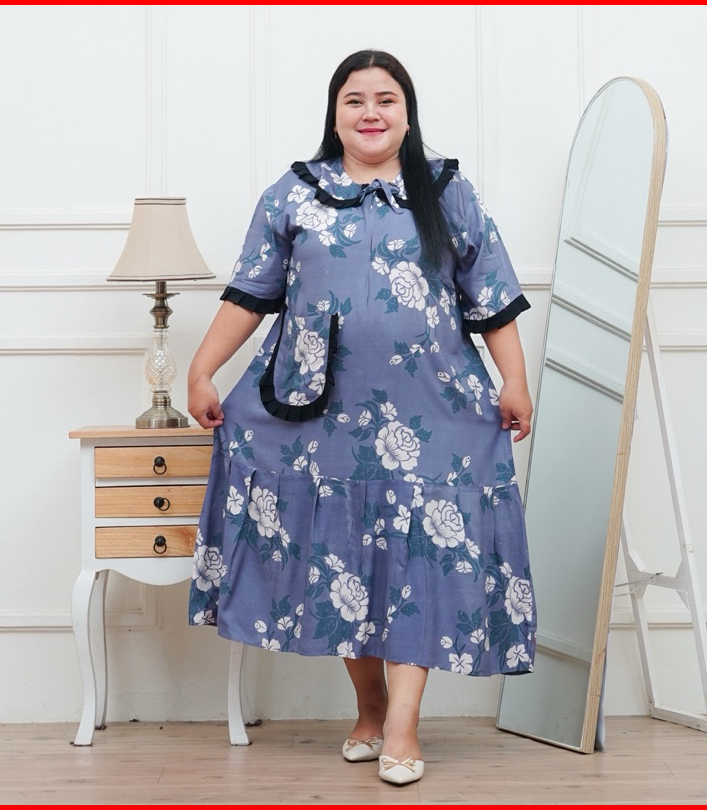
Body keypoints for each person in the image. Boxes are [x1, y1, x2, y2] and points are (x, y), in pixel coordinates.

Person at [187, 49, 536, 786]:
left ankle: (403, 725)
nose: (370, 112)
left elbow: (493, 295)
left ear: (407, 113)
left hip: (436, 410)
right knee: (344, 557)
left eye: (385, 99)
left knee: (421, 555)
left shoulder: (448, 192)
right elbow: (250, 294)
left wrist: (513, 378)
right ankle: (371, 707)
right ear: (335, 113)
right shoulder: (294, 194)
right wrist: (201, 369)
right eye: (355, 100)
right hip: (319, 414)